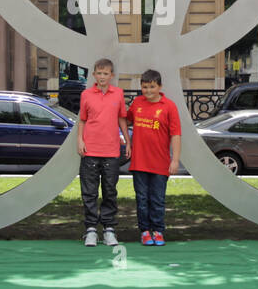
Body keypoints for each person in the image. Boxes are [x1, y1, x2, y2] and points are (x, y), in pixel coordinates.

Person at [77, 58, 129, 247]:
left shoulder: (118, 94)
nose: (102, 77)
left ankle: (109, 230)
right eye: (99, 73)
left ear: (111, 76)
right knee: (89, 192)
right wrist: (79, 140)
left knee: (109, 191)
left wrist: (127, 141)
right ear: (94, 75)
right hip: (90, 150)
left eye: (105, 74)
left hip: (111, 150)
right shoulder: (86, 94)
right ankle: (91, 230)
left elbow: (122, 118)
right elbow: (82, 120)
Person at [126, 69, 182, 246]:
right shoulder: (137, 103)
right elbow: (124, 120)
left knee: (157, 199)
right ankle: (144, 231)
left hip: (160, 163)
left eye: (152, 87)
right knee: (141, 200)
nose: (148, 91)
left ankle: (158, 231)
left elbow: (176, 134)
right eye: (144, 87)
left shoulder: (169, 106)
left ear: (160, 86)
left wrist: (175, 160)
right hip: (139, 162)